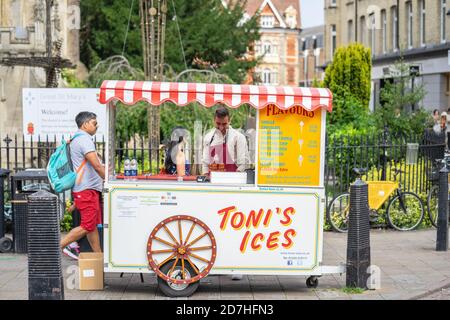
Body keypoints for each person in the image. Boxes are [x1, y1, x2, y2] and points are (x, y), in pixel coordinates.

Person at [60, 112, 105, 259]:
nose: (96, 126)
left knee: (91, 225)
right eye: (94, 123)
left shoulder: (77, 139)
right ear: (85, 124)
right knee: (87, 225)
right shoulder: (84, 140)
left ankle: (98, 256)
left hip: (86, 189)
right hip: (86, 190)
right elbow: (97, 165)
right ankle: (58, 246)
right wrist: (109, 180)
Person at [201, 107, 250, 175]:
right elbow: (205, 163)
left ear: (229, 121)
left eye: (224, 124)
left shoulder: (238, 137)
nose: (221, 127)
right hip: (213, 180)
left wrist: (234, 176)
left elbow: (244, 163)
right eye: (218, 124)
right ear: (213, 121)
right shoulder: (208, 138)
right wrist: (206, 176)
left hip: (232, 180)